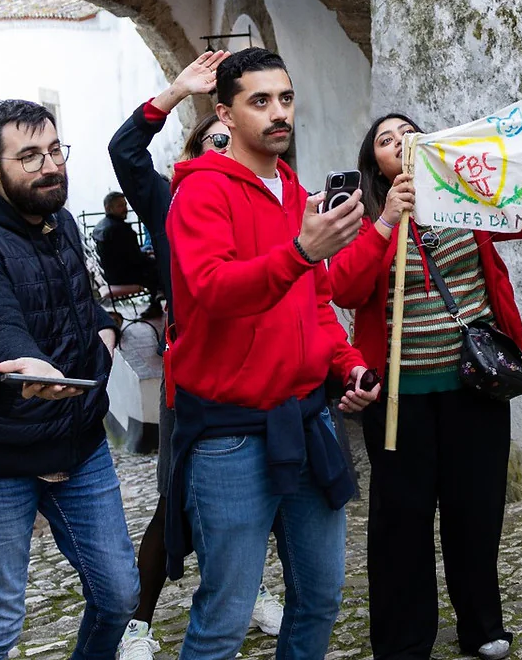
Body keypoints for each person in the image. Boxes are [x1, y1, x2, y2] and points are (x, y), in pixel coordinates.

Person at [331, 104, 522, 660]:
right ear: (374, 162)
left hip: (476, 387)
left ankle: (482, 626)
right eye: (384, 139)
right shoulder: (362, 215)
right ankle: (403, 640)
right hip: (400, 400)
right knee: (402, 521)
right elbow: (344, 289)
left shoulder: (467, 197)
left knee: (476, 510)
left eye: (407, 133)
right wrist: (385, 222)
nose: (398, 141)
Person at [162, 47, 383, 660]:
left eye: (284, 98)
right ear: (224, 113)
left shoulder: (296, 191)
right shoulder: (201, 193)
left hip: (308, 420)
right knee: (225, 616)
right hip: (229, 437)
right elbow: (213, 291)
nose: (278, 113)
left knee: (320, 597)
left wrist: (348, 364)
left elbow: (313, 304)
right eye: (260, 101)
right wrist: (301, 253)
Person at [0, 99, 139, 660]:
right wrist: (26, 362)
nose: (49, 166)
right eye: (28, 157)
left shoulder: (65, 224)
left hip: (79, 446)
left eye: (54, 150)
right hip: (0, 456)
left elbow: (89, 302)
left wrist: (106, 332)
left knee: (121, 595)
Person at [105, 52, 288, 660]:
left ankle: (251, 587)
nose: (221, 149)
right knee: (176, 495)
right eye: (210, 140)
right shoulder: (172, 201)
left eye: (226, 142)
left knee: (265, 495)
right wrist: (174, 92)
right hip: (196, 377)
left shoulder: (275, 192)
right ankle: (139, 620)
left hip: (266, 370)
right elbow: (126, 153)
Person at [93, 191, 159, 314]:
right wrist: (151, 257)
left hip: (111, 272)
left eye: (125, 205)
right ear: (108, 208)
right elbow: (136, 259)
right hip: (122, 276)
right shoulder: (119, 229)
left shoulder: (101, 226)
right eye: (120, 206)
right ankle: (159, 302)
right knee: (161, 267)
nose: (125, 209)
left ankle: (157, 302)